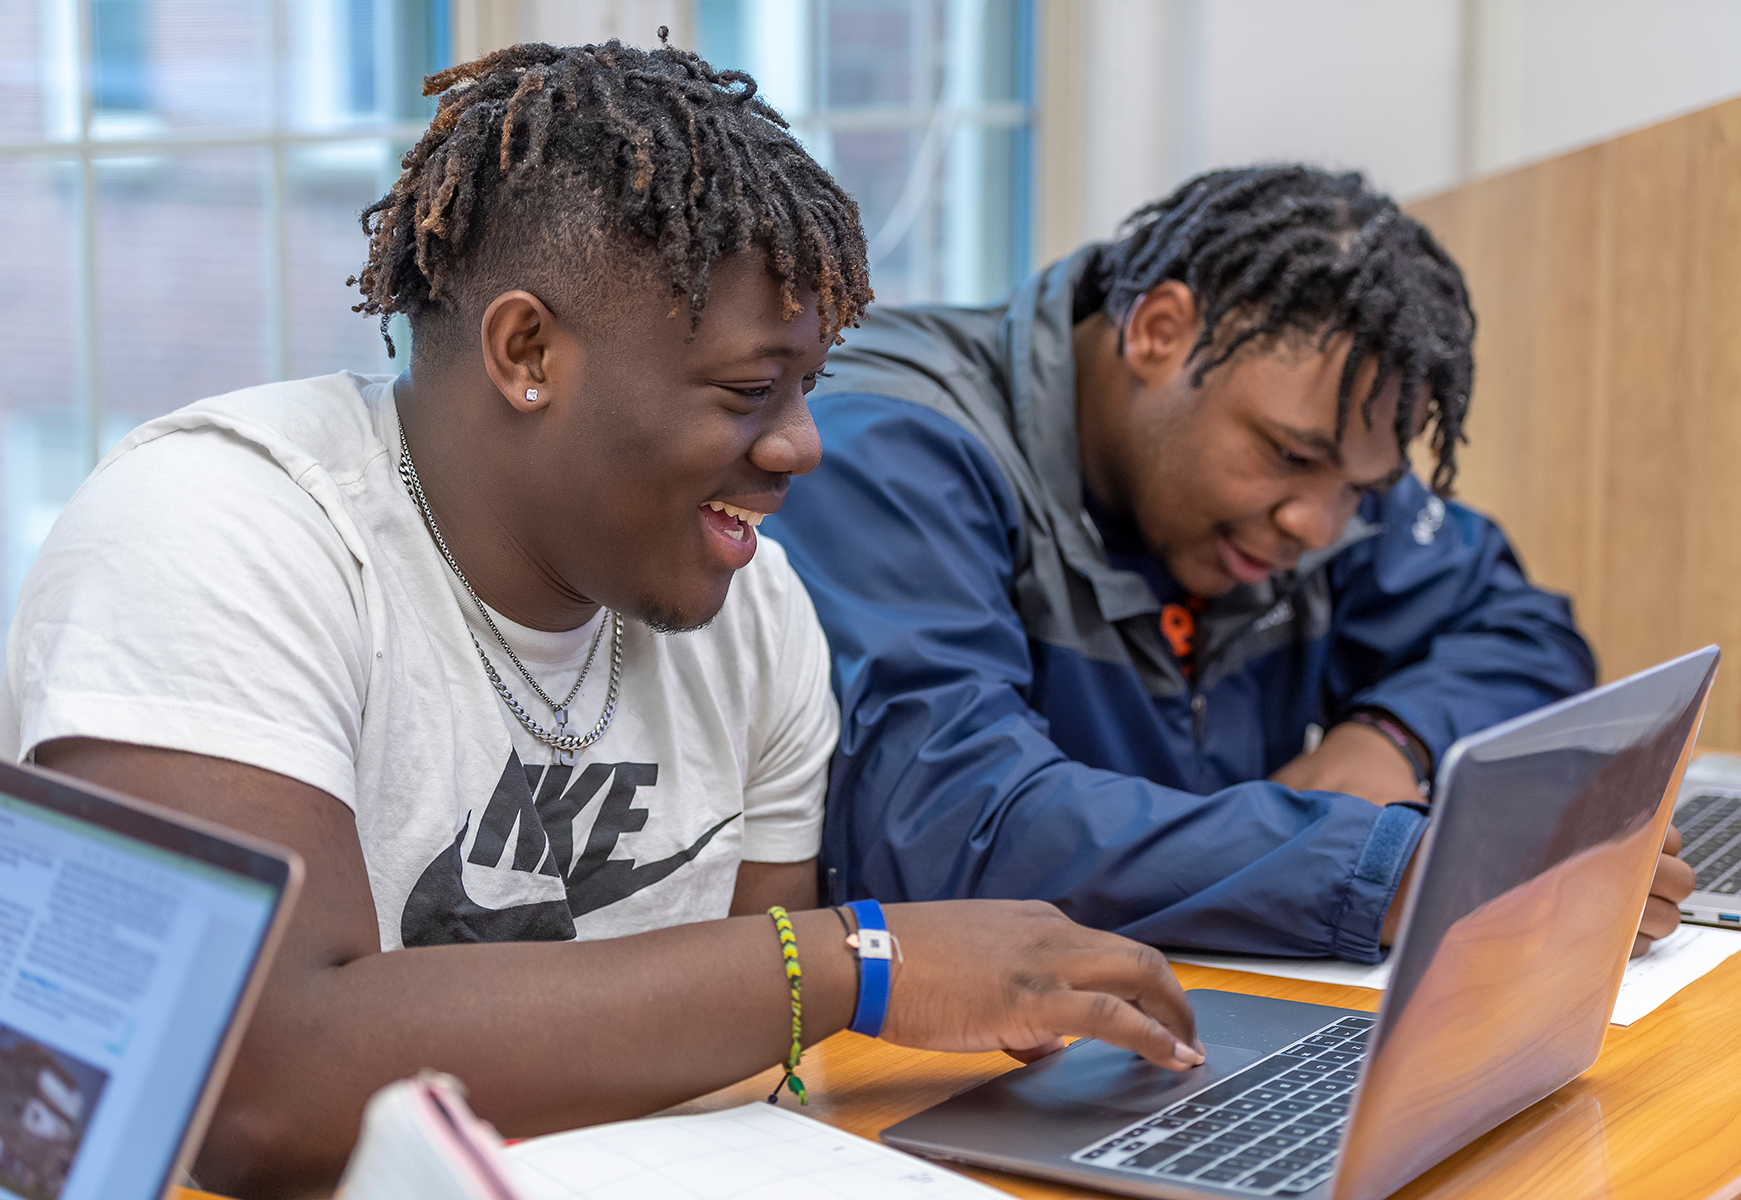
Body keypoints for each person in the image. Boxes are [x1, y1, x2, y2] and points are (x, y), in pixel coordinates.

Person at [0, 40, 1200, 1197]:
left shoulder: (753, 607)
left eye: (805, 385)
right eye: (747, 391)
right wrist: (860, 962)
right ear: (527, 350)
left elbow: (738, 1064)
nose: (800, 446)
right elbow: (259, 1092)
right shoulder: (215, 532)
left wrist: (826, 990)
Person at [763, 166, 1694, 965]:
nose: (1315, 525)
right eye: (1289, 458)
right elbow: (950, 827)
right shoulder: (889, 443)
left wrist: (1393, 735)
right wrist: (1386, 869)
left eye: (1360, 489)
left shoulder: (1323, 469)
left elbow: (1522, 633)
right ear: (1159, 330)